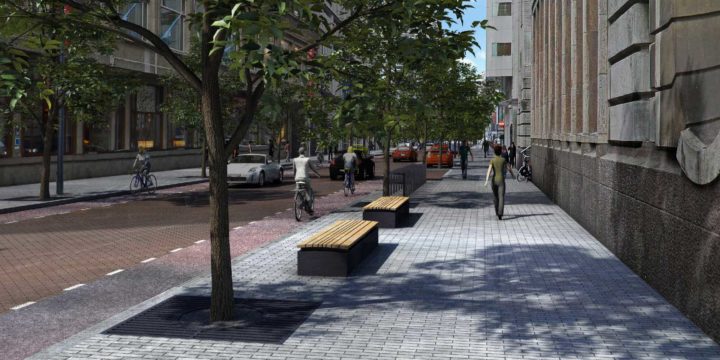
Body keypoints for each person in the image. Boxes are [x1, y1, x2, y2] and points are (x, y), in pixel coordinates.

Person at [484, 144, 514, 220]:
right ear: (501, 151)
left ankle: (497, 211)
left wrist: (486, 180)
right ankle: (500, 213)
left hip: (494, 180)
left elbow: (489, 170)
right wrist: (513, 175)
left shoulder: (492, 160)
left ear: (494, 151)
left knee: (495, 196)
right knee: (501, 197)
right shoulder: (503, 160)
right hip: (501, 180)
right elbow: (509, 168)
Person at [293, 147, 321, 215]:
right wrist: (318, 174)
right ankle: (308, 207)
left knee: (298, 189)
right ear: (304, 152)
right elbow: (313, 168)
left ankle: (299, 200)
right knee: (309, 191)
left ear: (298, 152)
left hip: (297, 178)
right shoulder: (307, 159)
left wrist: (295, 177)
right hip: (305, 178)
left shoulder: (294, 160)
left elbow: (294, 170)